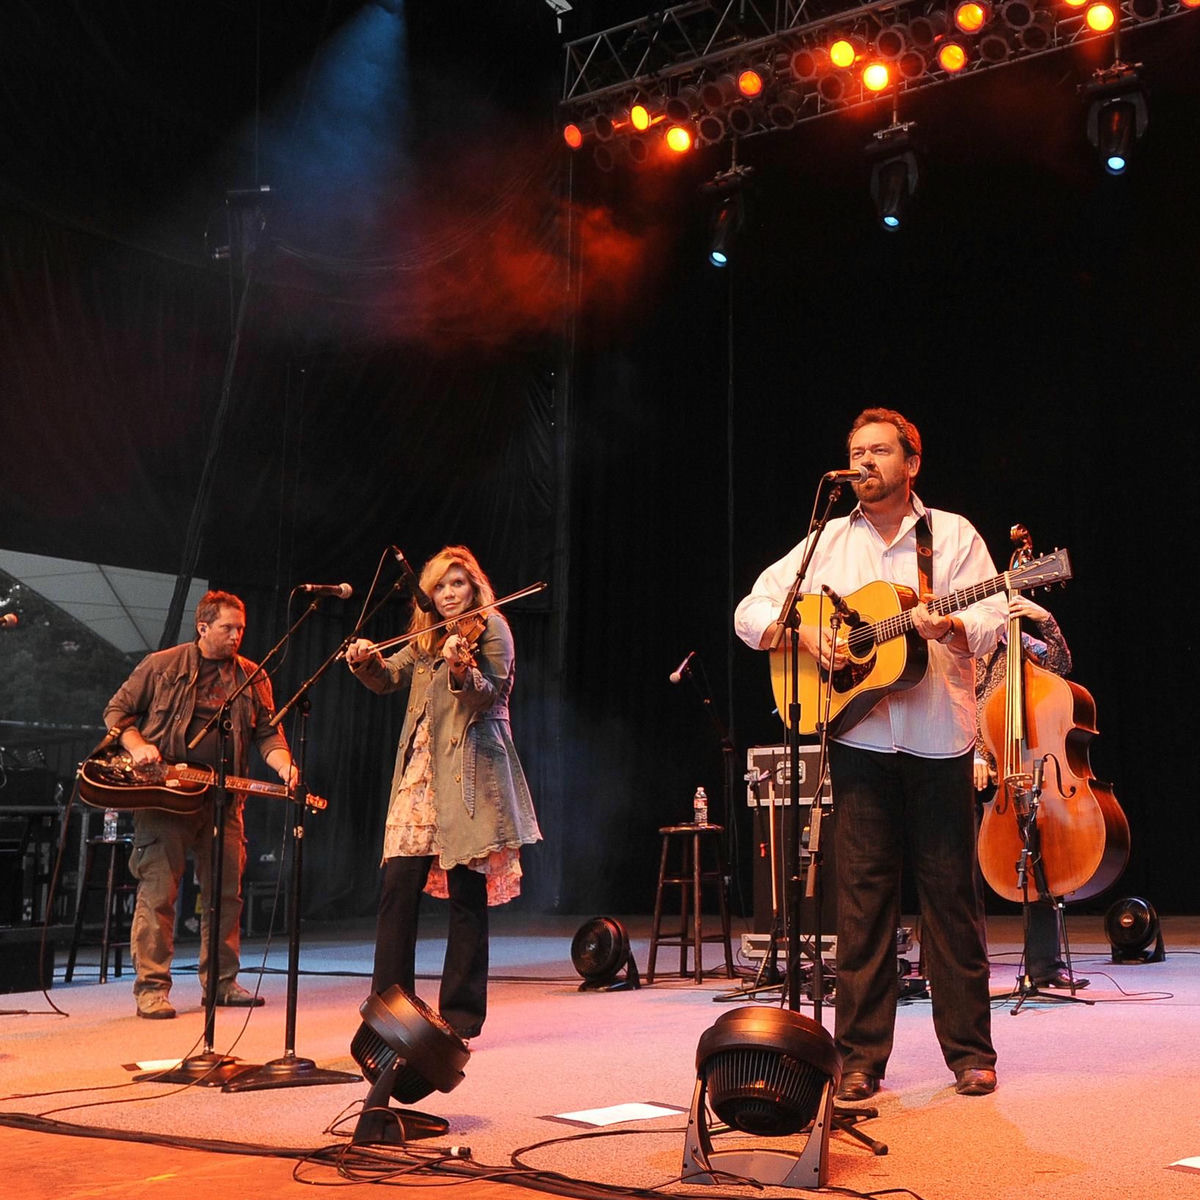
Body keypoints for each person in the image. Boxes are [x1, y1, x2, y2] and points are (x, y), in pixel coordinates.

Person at [734, 408, 1006, 1100]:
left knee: (951, 901)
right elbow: (751, 611)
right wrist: (801, 636)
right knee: (861, 907)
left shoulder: (953, 536)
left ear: (911, 462)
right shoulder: (824, 541)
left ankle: (971, 1054)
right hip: (857, 737)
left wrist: (947, 624)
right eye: (855, 453)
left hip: (940, 737)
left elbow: (993, 615)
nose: (863, 465)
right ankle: (858, 1060)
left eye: (878, 452)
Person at [345, 545, 541, 1042]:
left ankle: (461, 1016)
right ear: (428, 594)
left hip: (471, 772)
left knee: (465, 897)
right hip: (421, 774)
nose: (450, 594)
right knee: (397, 888)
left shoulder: (491, 628)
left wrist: (460, 670)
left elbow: (490, 693)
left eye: (459, 584)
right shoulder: (426, 636)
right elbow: (389, 677)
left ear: (474, 587)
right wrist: (365, 660)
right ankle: (389, 1008)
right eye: (440, 586)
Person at [103, 590, 297, 1019]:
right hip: (166, 797)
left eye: (241, 629)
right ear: (203, 627)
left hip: (224, 800)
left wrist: (283, 765)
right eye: (227, 628)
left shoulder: (251, 675)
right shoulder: (162, 665)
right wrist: (138, 747)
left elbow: (268, 732)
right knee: (159, 893)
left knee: (226, 895)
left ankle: (222, 983)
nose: (236, 636)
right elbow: (117, 714)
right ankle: (152, 988)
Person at [974, 593, 1088, 990]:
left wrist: (1046, 618)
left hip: (1024, 768)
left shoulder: (1020, 644)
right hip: (969, 767)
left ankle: (1045, 967)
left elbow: (1061, 666)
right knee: (959, 875)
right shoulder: (959, 652)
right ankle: (961, 970)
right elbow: (951, 705)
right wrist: (975, 754)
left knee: (1039, 860)